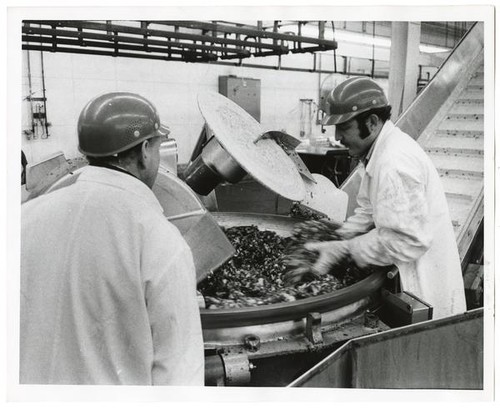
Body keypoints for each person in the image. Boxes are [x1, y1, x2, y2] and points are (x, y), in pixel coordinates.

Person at [20, 92, 204, 385]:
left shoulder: (24, 218)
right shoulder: (158, 240)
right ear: (145, 150)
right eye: (157, 146)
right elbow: (179, 373)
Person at [286, 77, 466, 319]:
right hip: (403, 278)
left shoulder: (393, 162)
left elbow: (408, 241)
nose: (338, 137)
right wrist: (338, 237)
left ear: (371, 122)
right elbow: (368, 210)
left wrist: (345, 248)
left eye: (344, 127)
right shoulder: (378, 154)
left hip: (421, 292)